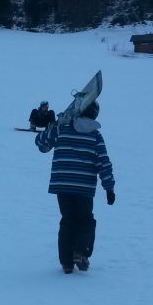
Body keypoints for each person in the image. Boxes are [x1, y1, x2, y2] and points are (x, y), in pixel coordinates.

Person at [35, 101, 116, 274]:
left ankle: (66, 263)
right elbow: (103, 162)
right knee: (85, 220)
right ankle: (80, 251)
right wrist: (109, 188)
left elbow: (40, 141)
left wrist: (56, 125)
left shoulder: (62, 129)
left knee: (67, 220)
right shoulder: (95, 136)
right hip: (84, 187)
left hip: (62, 184)